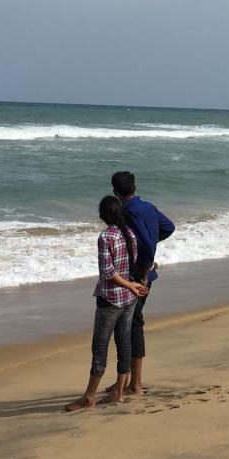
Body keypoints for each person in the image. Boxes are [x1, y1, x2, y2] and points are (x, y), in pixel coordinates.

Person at [66, 196, 148, 412]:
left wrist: (130, 286)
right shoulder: (129, 234)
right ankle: (119, 393)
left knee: (100, 348)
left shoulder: (106, 237)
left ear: (103, 216)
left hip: (111, 299)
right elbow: (134, 263)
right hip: (129, 300)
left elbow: (108, 273)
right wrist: (133, 286)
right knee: (124, 344)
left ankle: (89, 396)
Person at [111, 170, 175, 396]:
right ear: (134, 187)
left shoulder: (128, 212)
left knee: (131, 326)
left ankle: (134, 384)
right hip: (143, 276)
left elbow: (147, 245)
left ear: (115, 192)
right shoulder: (148, 207)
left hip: (136, 277)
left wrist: (145, 269)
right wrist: (146, 243)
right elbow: (168, 228)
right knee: (128, 325)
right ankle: (125, 379)